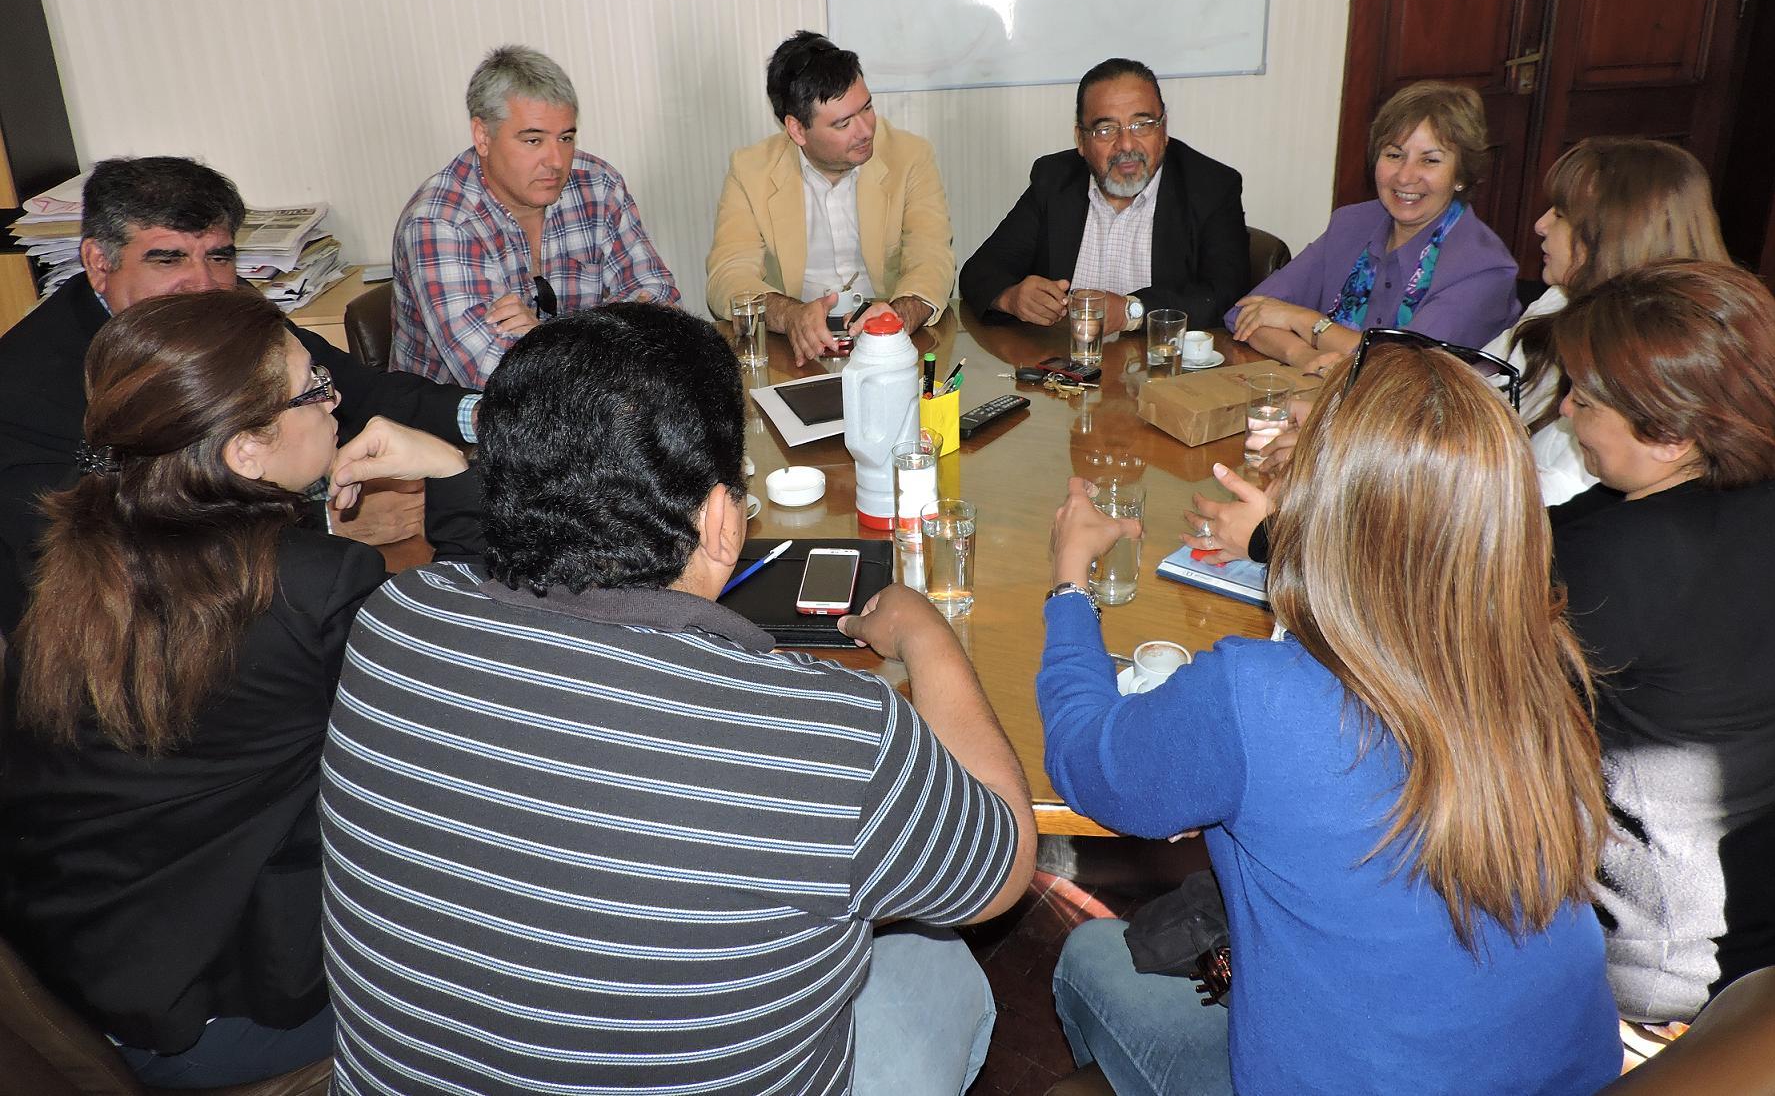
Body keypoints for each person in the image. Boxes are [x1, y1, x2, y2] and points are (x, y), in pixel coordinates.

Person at [320, 302, 1036, 1095]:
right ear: (723, 519)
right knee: (941, 962)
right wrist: (925, 631)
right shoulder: (837, 738)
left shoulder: (391, 622)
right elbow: (1005, 865)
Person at [1039, 345, 1620, 1094]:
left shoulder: (1259, 696)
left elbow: (1087, 760)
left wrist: (1069, 583)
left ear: (1324, 510)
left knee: (1089, 956)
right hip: (1567, 1077)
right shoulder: (1536, 666)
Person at [0, 290, 467, 1089]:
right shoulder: (310, 588)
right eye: (315, 388)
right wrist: (456, 473)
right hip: (215, 1013)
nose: (336, 401)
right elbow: (462, 701)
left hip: (86, 965)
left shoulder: (84, 546)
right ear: (245, 450)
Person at [0, 156, 478, 633]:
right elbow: (90, 548)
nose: (204, 283)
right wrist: (324, 521)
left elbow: (365, 390)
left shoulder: (223, 312)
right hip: (124, 636)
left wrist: (493, 417)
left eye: (219, 256)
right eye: (168, 258)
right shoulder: (23, 383)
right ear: (99, 262)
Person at [1547, 260, 1775, 1025]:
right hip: (1769, 911)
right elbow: (1547, 531)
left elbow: (1442, 660)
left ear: (1672, 434)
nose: (1567, 407)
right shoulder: (1756, 494)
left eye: (1585, 397)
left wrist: (1282, 539)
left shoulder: (1630, 558)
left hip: (1660, 953)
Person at [391, 44, 679, 387]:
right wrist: (605, 335)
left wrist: (546, 337)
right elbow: (500, 377)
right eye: (533, 141)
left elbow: (660, 304)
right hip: (460, 417)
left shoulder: (597, 185)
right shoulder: (439, 223)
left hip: (591, 402)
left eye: (565, 138)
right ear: (483, 137)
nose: (556, 161)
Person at [1484, 138, 1730, 504]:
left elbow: (1559, 499)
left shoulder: (1644, 366)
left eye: (1560, 214)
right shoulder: (1560, 298)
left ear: (1612, 237)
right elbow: (1479, 383)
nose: (1540, 224)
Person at [706, 30, 954, 366]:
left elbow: (932, 256)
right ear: (797, 129)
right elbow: (728, 275)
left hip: (889, 344)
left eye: (867, 108)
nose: (865, 130)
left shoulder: (910, 156)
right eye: (843, 124)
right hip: (797, 352)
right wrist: (790, 315)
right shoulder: (751, 171)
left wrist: (898, 315)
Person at [1227, 81, 1519, 363]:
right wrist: (1304, 356)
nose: (1405, 176)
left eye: (1430, 160)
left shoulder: (1483, 267)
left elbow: (1403, 366)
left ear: (1461, 176)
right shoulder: (1352, 224)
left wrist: (1306, 321)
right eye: (1394, 155)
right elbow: (1246, 313)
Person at [959, 58, 1251, 334]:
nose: (1126, 144)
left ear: (1163, 130)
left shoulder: (1211, 187)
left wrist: (1129, 312)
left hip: (1161, 364)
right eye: (1106, 129)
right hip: (1064, 362)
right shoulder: (1055, 180)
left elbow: (1226, 296)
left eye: (1142, 125)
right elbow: (981, 270)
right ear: (1081, 139)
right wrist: (1011, 298)